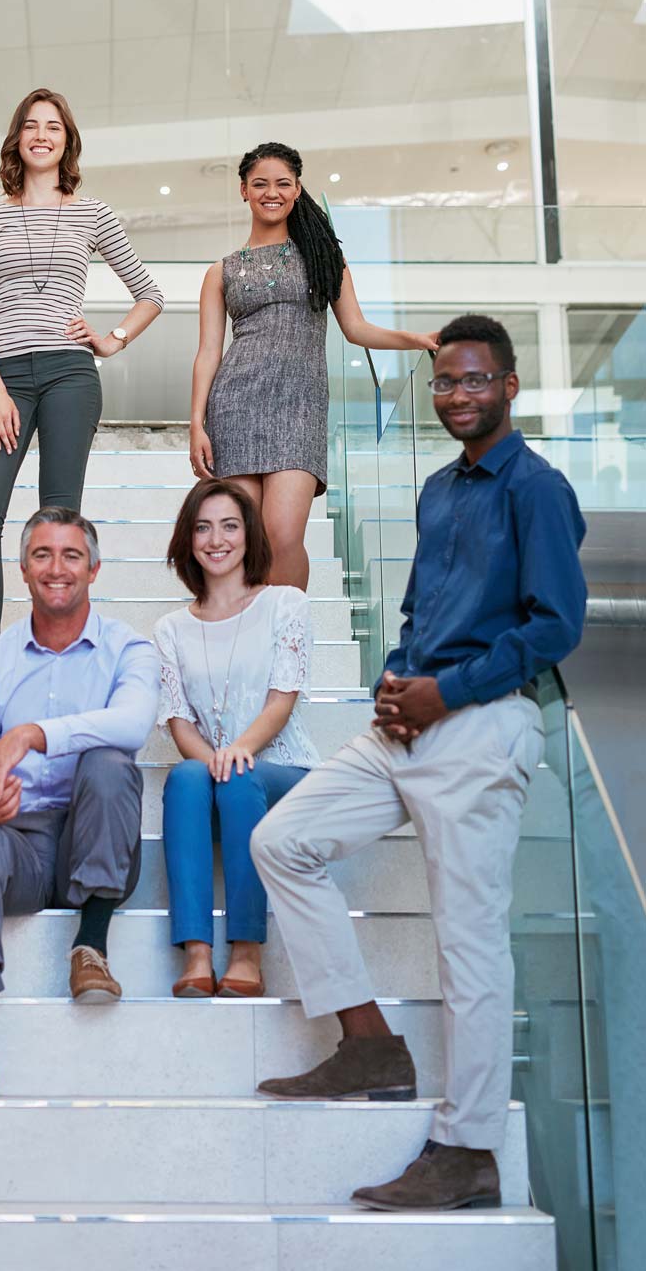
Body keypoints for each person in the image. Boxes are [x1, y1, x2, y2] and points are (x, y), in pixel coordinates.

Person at [250, 314, 587, 1212]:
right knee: (281, 840)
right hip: (408, 722)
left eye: (473, 379)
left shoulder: (537, 488)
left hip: (482, 726)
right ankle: (368, 1043)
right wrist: (395, 681)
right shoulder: (437, 488)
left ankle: (468, 1150)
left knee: (468, 944)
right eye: (443, 381)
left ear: (508, 386)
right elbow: (414, 610)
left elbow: (555, 624)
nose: (456, 394)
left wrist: (450, 691)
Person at [0, 507, 159, 1099]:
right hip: (18, 845)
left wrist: (32, 734)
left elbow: (132, 725)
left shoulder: (129, 648)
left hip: (93, 835)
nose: (57, 568)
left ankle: (91, 946)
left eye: (71, 555)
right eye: (42, 555)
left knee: (108, 763)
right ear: (23, 568)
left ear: (94, 569)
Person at [0, 88, 164, 647]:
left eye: (53, 126)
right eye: (31, 125)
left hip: (70, 374)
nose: (41, 135)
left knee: (58, 518)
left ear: (67, 140)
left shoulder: (92, 213)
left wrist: (111, 340)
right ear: (17, 138)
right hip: (6, 377)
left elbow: (150, 294)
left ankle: (55, 644)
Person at [189, 141, 437, 590]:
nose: (272, 192)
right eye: (260, 184)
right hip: (235, 407)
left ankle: (288, 633)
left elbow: (356, 329)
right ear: (243, 190)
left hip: (299, 407)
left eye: (283, 183)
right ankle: (247, 628)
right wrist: (196, 424)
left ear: (298, 189)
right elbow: (208, 351)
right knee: (243, 539)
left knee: (283, 536)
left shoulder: (324, 258)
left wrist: (414, 340)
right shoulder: (220, 272)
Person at [155, 479, 316, 998]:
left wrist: (238, 753)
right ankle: (197, 953)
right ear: (188, 539)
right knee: (186, 777)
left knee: (239, 776)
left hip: (283, 770)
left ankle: (247, 953)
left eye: (229, 526)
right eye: (203, 528)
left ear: (249, 535)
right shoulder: (170, 628)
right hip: (217, 774)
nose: (216, 539)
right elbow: (180, 725)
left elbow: (281, 702)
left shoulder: (285, 604)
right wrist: (216, 761)